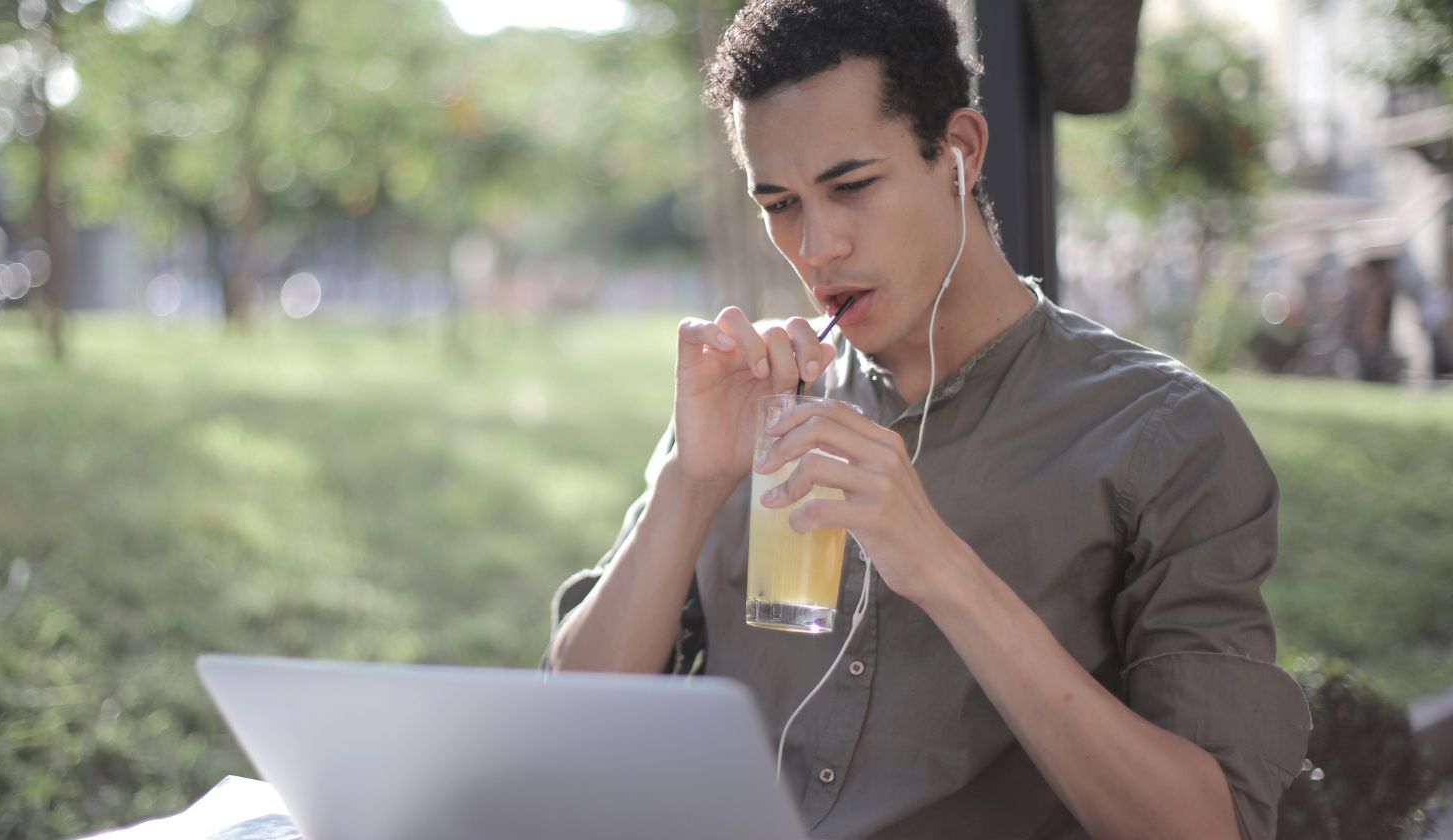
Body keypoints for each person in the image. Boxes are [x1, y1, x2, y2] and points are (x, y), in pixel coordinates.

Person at [543, 1, 1310, 838]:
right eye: (780, 203)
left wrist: (943, 567)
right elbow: (571, 730)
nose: (816, 246)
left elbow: (1209, 828)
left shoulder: (1161, 436)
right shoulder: (753, 405)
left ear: (960, 154)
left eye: (852, 186)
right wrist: (688, 487)